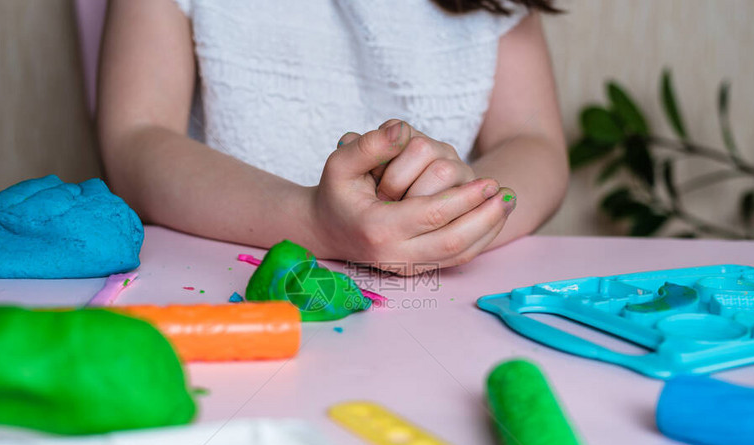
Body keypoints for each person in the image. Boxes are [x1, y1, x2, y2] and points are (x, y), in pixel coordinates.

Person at [98, 0, 567, 275]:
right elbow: (136, 139)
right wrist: (311, 221)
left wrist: (462, 211)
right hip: (223, 274)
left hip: (439, 294)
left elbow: (533, 140)